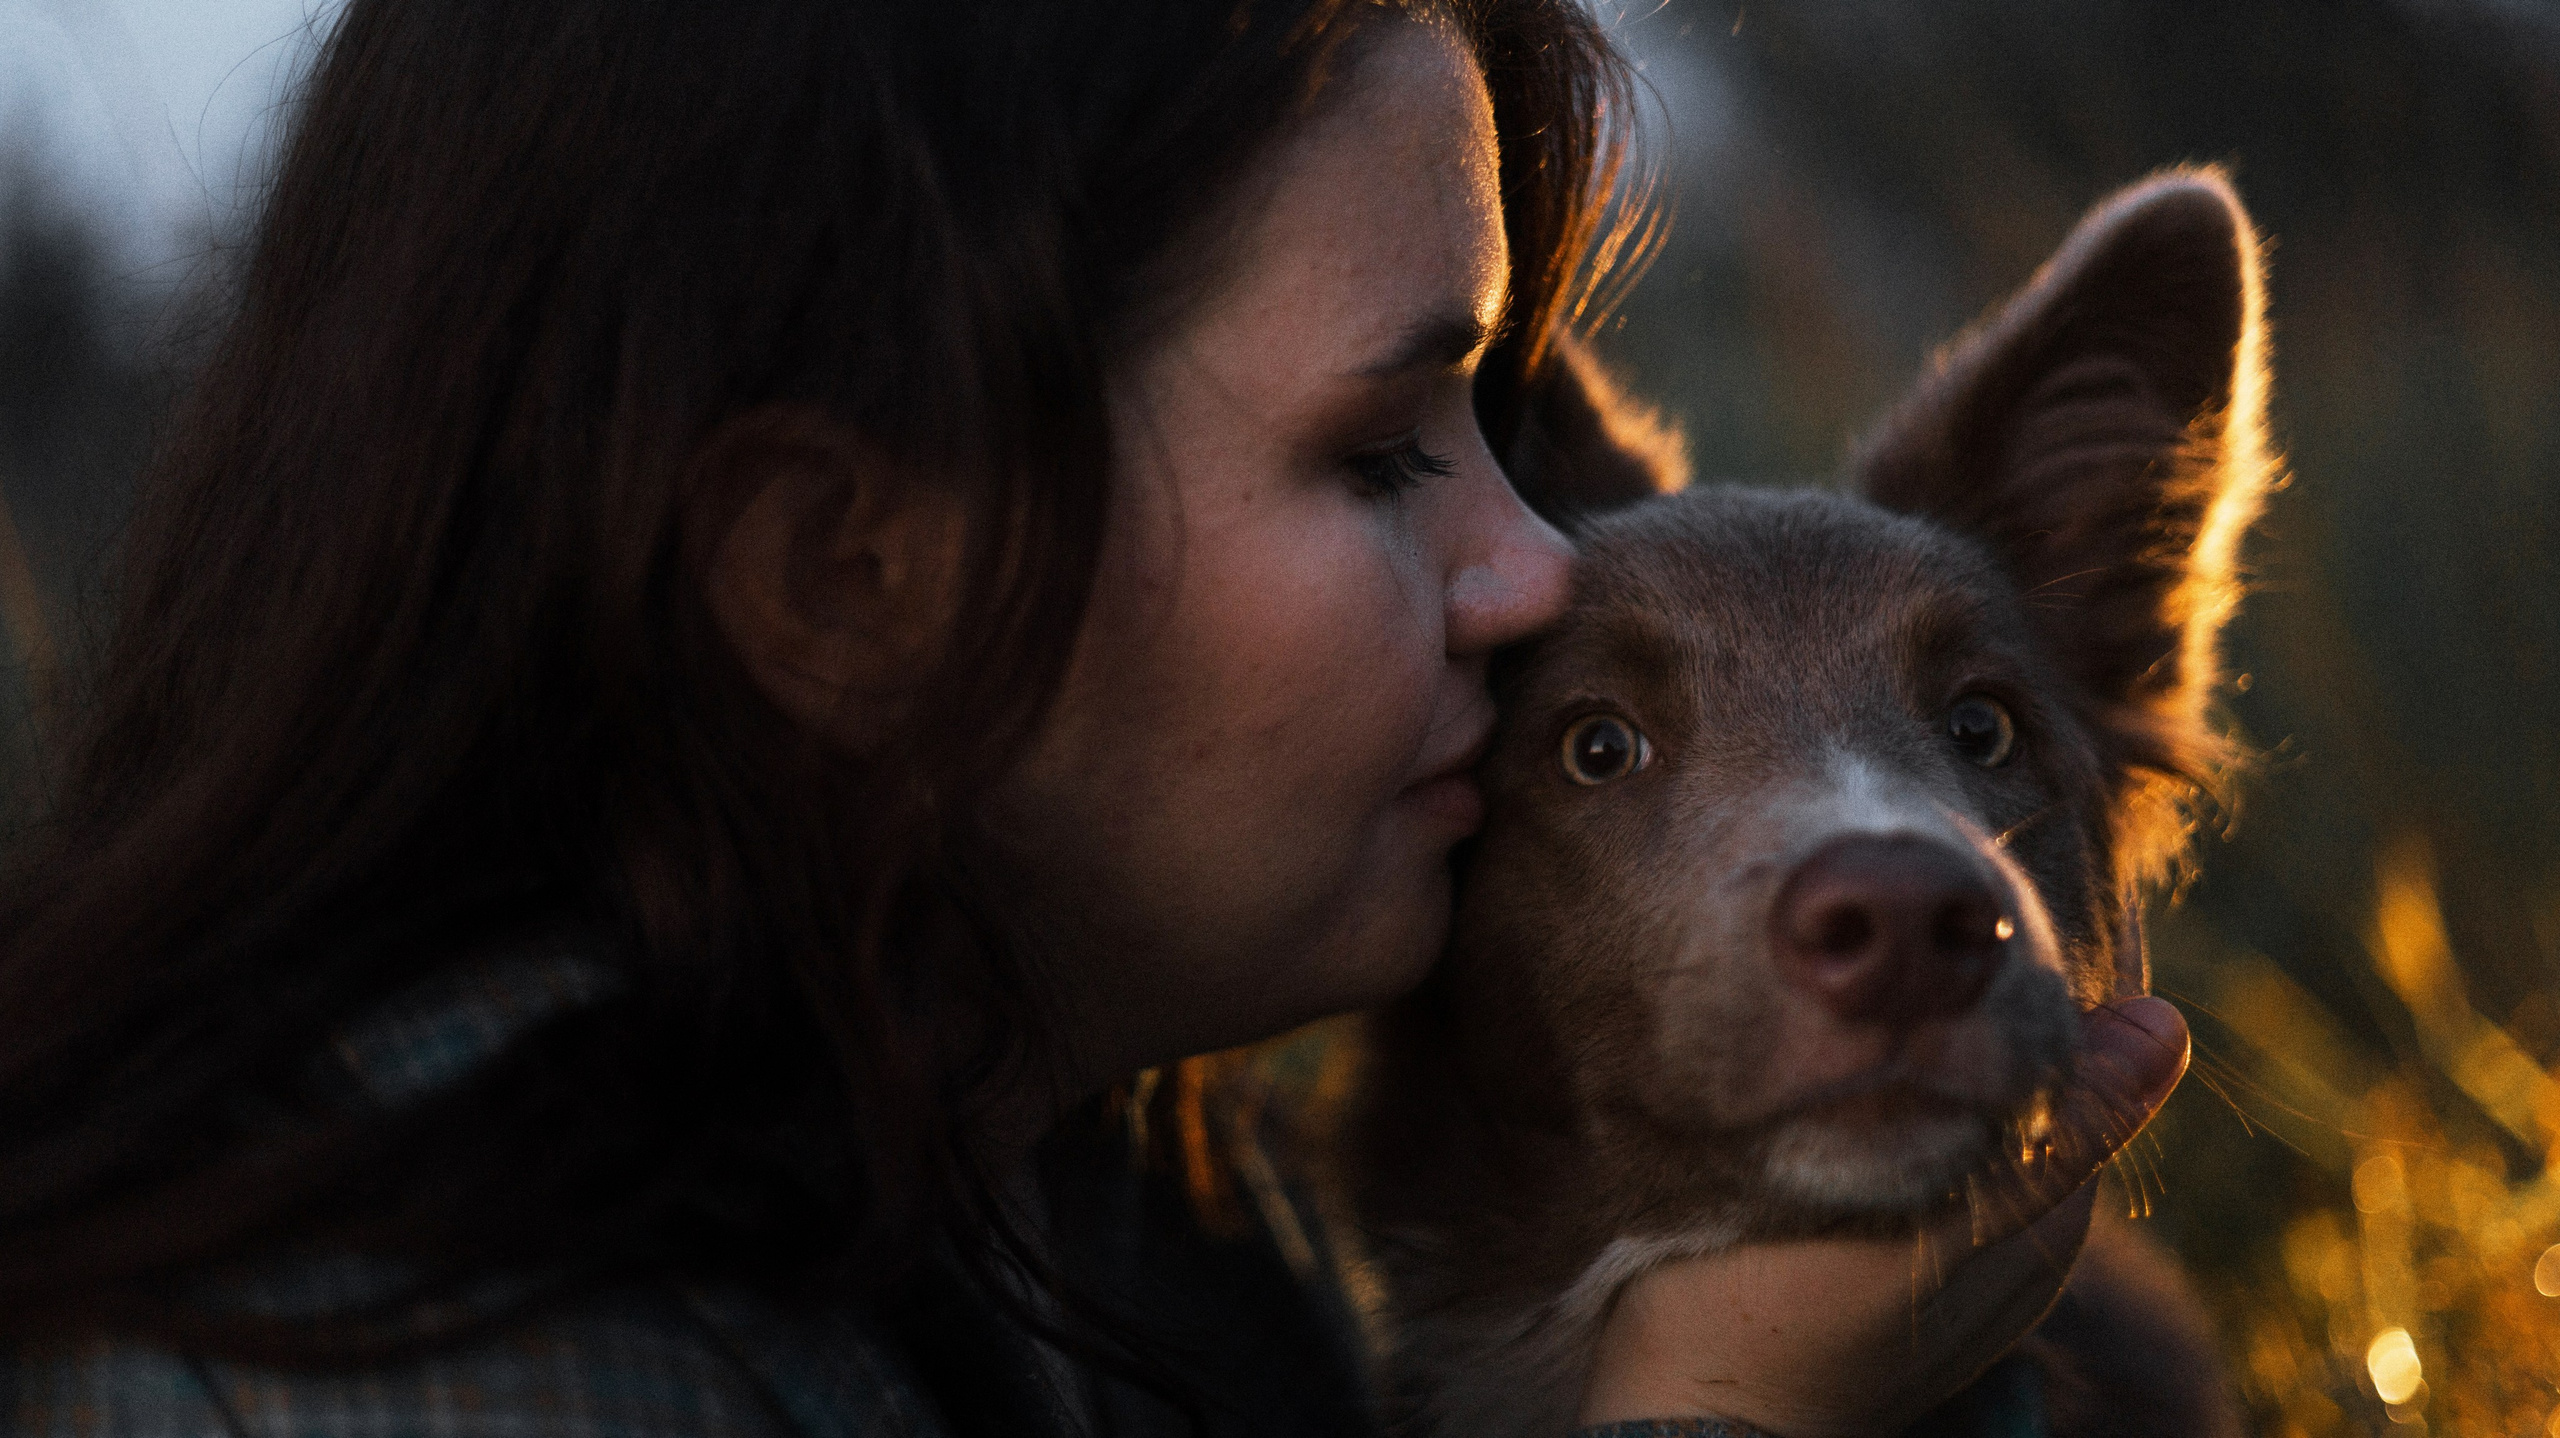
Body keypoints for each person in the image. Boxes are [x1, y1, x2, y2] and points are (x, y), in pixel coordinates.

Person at [0, 0, 2189, 1435]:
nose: (1530, 573)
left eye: (1489, 418)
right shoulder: (438, 1349)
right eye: (1372, 452)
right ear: (843, 579)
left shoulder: (1097, 1213)